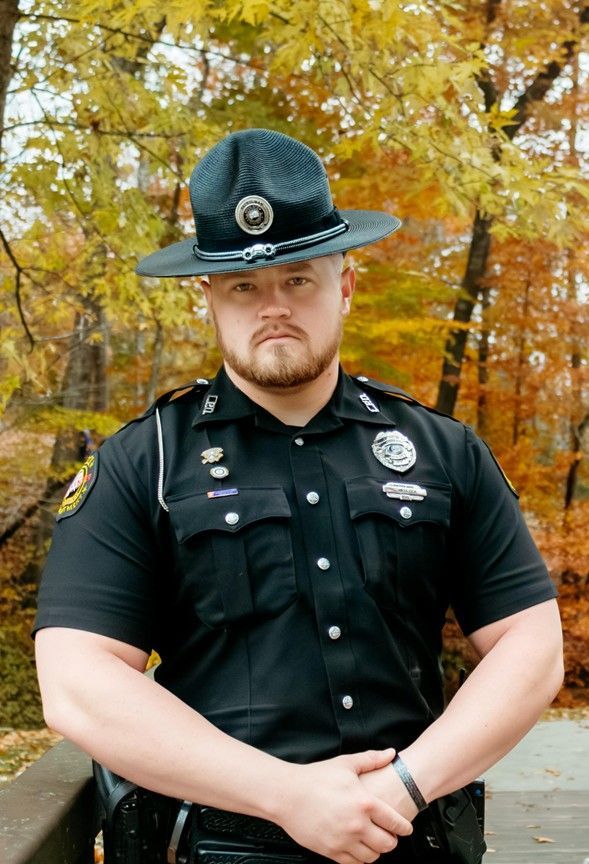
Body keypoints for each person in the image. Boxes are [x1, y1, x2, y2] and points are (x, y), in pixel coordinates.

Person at [34, 128, 563, 864]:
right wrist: (287, 794)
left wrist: (407, 785)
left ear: (343, 284)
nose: (271, 306)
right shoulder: (142, 462)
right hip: (215, 848)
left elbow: (530, 646)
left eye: (298, 279)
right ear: (208, 296)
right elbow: (77, 681)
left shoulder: (443, 452)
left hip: (410, 837)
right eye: (244, 287)